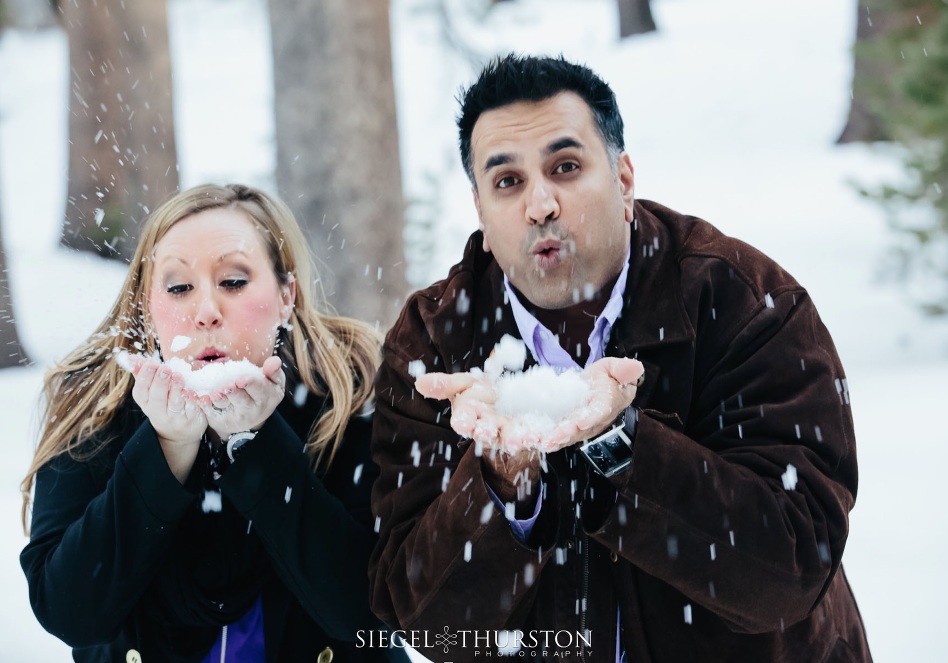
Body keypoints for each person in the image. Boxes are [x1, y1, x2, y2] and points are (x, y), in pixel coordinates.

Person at [368, 55, 872, 662]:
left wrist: (621, 448)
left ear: (624, 178)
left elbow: (791, 568)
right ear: (480, 209)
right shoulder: (433, 345)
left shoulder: (745, 303)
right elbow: (429, 626)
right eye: (508, 182)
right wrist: (502, 487)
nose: (540, 205)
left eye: (566, 167)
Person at [21, 183, 408, 662]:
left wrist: (257, 447)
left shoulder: (353, 392)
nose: (205, 312)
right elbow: (70, 611)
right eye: (179, 287)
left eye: (233, 281)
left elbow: (370, 611)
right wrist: (165, 448)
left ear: (286, 295)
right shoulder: (92, 401)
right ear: (147, 303)